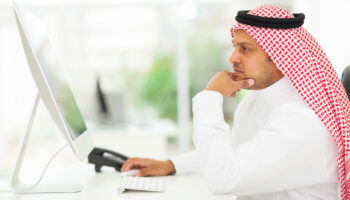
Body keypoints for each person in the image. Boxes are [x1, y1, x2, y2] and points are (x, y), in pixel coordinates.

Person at [121, 5, 350, 200]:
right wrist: (172, 165)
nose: (233, 58)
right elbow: (233, 153)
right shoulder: (252, 104)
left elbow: (224, 177)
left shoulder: (304, 119)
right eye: (235, 46)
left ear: (280, 59)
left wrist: (210, 96)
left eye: (245, 49)